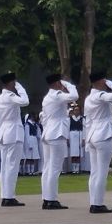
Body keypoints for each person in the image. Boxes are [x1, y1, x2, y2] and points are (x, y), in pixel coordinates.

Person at [84, 72, 112, 213]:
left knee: (94, 172)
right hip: (103, 134)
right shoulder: (100, 95)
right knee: (102, 172)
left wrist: (87, 140)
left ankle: (93, 202)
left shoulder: (88, 98)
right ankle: (98, 204)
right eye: (104, 80)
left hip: (93, 135)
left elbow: (88, 121)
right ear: (100, 81)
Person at [40, 74, 78, 210]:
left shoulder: (47, 97)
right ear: (57, 83)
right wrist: (68, 84)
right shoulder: (57, 95)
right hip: (57, 133)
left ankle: (46, 198)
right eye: (61, 83)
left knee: (47, 168)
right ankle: (51, 199)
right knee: (55, 168)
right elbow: (74, 96)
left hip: (48, 133)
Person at [0, 72, 30, 206]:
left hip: (4, 134)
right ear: (10, 83)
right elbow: (25, 101)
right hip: (13, 133)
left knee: (5, 167)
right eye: (14, 82)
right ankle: (9, 197)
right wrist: (20, 87)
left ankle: (5, 196)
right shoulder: (10, 97)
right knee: (12, 166)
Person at [68, 104, 84, 174]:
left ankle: (77, 168)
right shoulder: (70, 119)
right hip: (72, 136)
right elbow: (67, 129)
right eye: (75, 110)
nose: (77, 111)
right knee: (73, 153)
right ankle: (73, 168)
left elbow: (84, 129)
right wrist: (68, 139)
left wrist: (83, 139)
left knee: (78, 153)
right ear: (73, 111)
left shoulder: (82, 119)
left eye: (78, 110)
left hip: (79, 135)